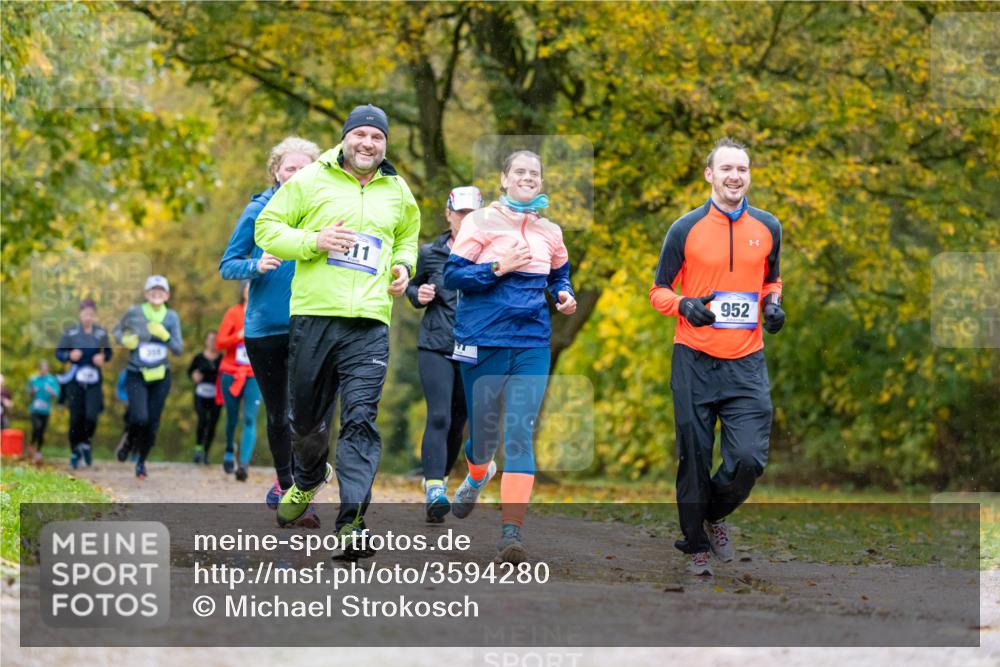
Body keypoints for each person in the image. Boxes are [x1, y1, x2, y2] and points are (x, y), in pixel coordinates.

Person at [255, 104, 419, 550]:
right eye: (361, 134)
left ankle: (352, 523)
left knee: (361, 421)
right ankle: (308, 477)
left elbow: (407, 235)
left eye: (377, 137)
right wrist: (313, 242)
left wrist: (404, 266)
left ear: (385, 144)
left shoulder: (397, 189)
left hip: (369, 323)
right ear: (346, 138)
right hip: (314, 317)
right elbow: (267, 228)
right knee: (305, 423)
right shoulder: (311, 180)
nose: (368, 143)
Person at [648, 138, 785, 576]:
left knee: (748, 459)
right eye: (726, 168)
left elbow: (771, 281)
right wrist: (682, 304)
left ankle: (712, 514)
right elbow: (658, 291)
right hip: (693, 358)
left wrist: (773, 306)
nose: (734, 176)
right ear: (709, 174)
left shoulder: (768, 227)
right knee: (693, 452)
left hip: (746, 361)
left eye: (742, 169)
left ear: (749, 174)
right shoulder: (684, 228)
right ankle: (696, 545)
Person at [443, 149, 576, 563]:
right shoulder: (480, 222)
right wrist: (498, 267)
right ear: (503, 180)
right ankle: (478, 472)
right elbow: (453, 276)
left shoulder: (550, 231)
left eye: (534, 172)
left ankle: (511, 532)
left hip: (532, 342)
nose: (527, 177)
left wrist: (563, 294)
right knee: (483, 437)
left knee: (519, 431)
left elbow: (559, 275)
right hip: (481, 340)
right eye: (519, 171)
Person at [220, 136, 321, 516]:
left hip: (311, 322)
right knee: (280, 412)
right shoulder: (259, 209)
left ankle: (301, 495)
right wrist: (255, 266)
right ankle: (286, 484)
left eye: (304, 168)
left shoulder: (322, 210)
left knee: (308, 414)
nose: (296, 174)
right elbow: (228, 263)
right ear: (276, 172)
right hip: (264, 329)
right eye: (289, 168)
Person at [405, 186, 482, 522]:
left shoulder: (491, 253)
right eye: (460, 213)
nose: (465, 220)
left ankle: (443, 482)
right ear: (449, 214)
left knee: (458, 422)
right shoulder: (430, 252)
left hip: (474, 347)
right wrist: (416, 293)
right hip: (435, 342)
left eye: (472, 214)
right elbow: (409, 285)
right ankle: (434, 488)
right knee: (439, 416)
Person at [113, 275, 184, 479]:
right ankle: (128, 441)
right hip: (137, 373)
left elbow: (179, 350)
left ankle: (141, 461)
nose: (157, 293)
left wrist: (166, 336)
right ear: (146, 293)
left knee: (152, 423)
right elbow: (117, 331)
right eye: (153, 290)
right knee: (139, 417)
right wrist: (125, 340)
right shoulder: (134, 312)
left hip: (161, 376)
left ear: (167, 295)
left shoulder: (171, 317)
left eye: (161, 290)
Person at [56, 299, 112, 468]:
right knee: (75, 419)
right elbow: (59, 352)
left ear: (95, 315)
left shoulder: (101, 334)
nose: (88, 317)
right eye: (85, 314)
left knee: (91, 416)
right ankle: (75, 451)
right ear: (80, 315)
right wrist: (69, 356)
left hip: (94, 380)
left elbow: (108, 354)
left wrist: (103, 358)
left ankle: (86, 443)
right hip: (74, 380)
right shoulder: (70, 333)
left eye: (91, 314)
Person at [215, 282, 261, 481]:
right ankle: (228, 449)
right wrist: (238, 336)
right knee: (232, 418)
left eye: (254, 287)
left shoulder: (263, 312)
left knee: (250, 418)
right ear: (242, 291)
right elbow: (219, 343)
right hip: (231, 372)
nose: (250, 291)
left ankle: (243, 465)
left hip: (254, 374)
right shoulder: (233, 313)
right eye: (247, 287)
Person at [187, 331, 222, 465]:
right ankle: (198, 448)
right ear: (206, 341)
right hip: (200, 394)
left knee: (212, 424)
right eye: (210, 339)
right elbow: (190, 371)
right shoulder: (199, 358)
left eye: (215, 339)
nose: (212, 342)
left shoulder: (221, 359)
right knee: (202, 419)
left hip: (216, 396)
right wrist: (193, 375)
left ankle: (206, 453)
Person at [27, 360, 60, 460]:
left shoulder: (51, 380)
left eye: (45, 369)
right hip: (35, 409)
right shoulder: (33, 379)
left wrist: (51, 391)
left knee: (42, 431)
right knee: (37, 427)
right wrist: (33, 391)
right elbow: (29, 393)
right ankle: (32, 444)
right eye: (41, 369)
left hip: (46, 410)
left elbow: (57, 394)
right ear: (39, 369)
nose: (43, 371)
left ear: (47, 369)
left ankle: (38, 451)